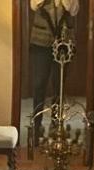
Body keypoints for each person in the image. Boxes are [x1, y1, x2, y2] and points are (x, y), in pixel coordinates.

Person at [28, 0, 79, 146]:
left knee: (59, 84)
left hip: (64, 41)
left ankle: (56, 124)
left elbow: (74, 10)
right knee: (39, 84)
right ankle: (37, 125)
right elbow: (34, 5)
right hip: (40, 41)